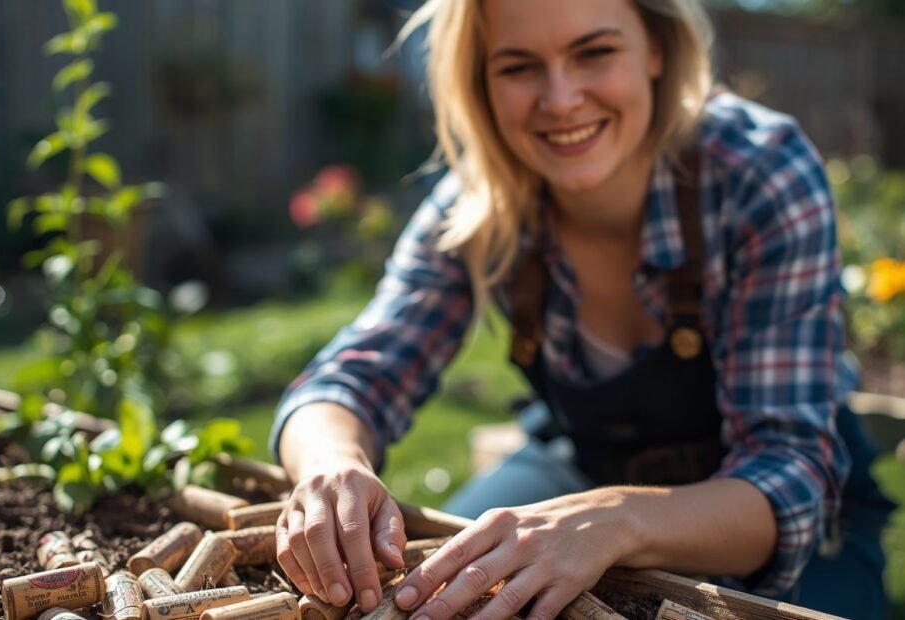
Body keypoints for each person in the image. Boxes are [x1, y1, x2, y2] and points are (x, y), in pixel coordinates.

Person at [270, 0, 893, 618]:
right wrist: (331, 463)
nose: (561, 99)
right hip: (580, 471)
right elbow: (351, 379)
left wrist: (616, 518)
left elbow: (789, 477)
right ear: (480, 83)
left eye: (594, 53)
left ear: (655, 48)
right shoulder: (478, 204)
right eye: (518, 67)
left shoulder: (758, 170)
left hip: (790, 524)